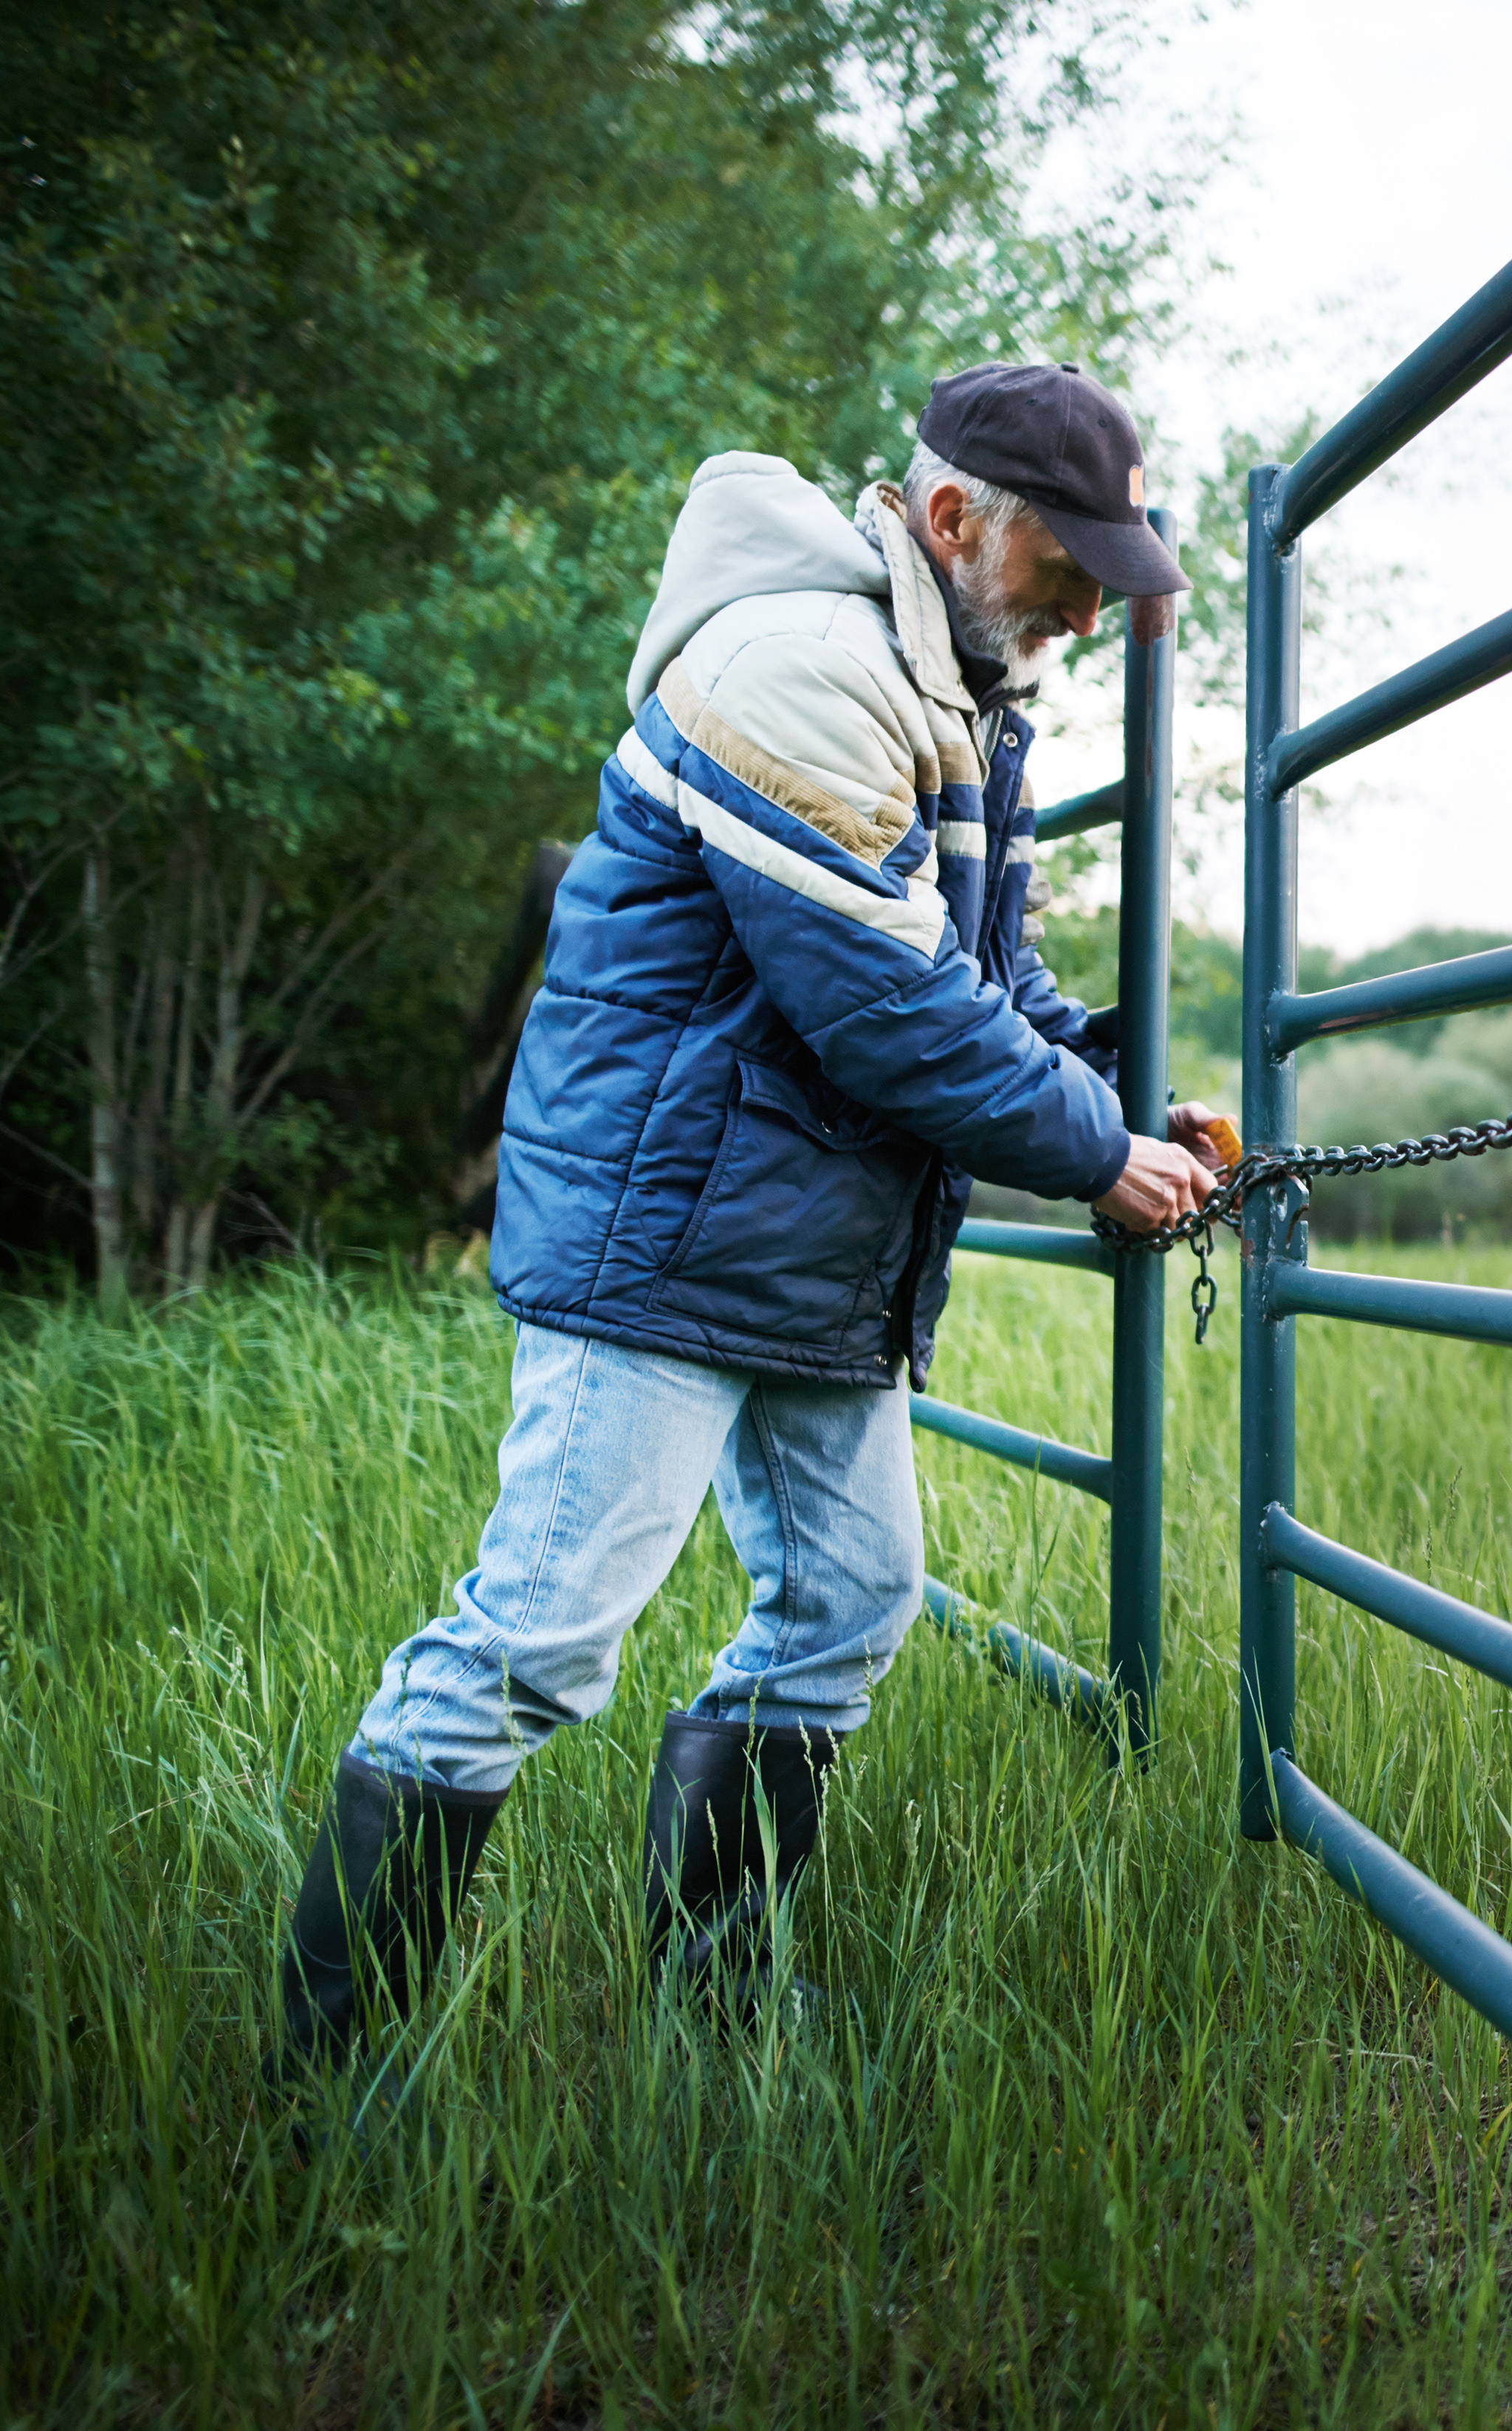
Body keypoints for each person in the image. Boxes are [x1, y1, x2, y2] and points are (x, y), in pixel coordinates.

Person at [269, 364, 1221, 2080]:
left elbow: (983, 979)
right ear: (950, 521)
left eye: (1104, 571)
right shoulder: (798, 669)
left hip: (793, 1233)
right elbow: (887, 1012)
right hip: (670, 1232)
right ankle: (325, 2084)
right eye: (1065, 565)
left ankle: (716, 2023)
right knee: (539, 1632)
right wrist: (1097, 1155)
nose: (1086, 608)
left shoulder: (949, 694)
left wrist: (1126, 1095)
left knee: (851, 1603)